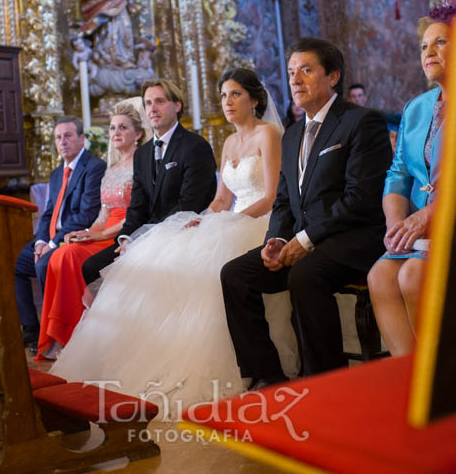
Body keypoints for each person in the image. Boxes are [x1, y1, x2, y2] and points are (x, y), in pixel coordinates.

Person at [51, 69, 298, 409]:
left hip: (260, 221)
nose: (227, 102)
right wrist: (204, 219)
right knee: (169, 254)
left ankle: (248, 363)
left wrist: (225, 221)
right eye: (224, 95)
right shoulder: (227, 142)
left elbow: (271, 196)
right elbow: (222, 199)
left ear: (255, 99)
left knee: (210, 268)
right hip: (230, 218)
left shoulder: (268, 135)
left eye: (235, 94)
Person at [221, 38, 392, 388]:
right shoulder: (293, 133)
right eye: (290, 73)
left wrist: (305, 240)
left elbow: (361, 197)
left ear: (333, 76)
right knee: (235, 274)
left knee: (305, 274)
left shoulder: (361, 122)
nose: (295, 80)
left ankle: (324, 383)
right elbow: (283, 201)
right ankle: (268, 374)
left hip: (353, 238)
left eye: (306, 70)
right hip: (303, 237)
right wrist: (277, 239)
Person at [366, 4, 456, 357]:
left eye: (441, 43)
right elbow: (398, 173)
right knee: (379, 277)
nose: (429, 52)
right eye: (423, 46)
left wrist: (426, 217)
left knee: (410, 277)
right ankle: (408, 376)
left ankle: (441, 375)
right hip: (417, 231)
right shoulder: (416, 107)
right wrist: (397, 224)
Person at [33, 102, 148, 359]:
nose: (115, 133)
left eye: (122, 128)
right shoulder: (111, 169)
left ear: (138, 134)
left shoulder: (141, 165)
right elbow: (102, 214)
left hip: (124, 232)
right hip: (103, 231)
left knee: (67, 256)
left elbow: (137, 212)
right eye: (112, 128)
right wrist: (87, 232)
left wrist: (101, 235)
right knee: (66, 251)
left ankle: (74, 332)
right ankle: (63, 334)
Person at [78, 78, 217, 284]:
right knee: (92, 268)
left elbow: (189, 204)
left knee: (141, 270)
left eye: (160, 101)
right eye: (148, 103)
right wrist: (126, 238)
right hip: (146, 234)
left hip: (183, 232)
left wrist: (146, 237)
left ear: (177, 106)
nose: (152, 108)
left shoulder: (195, 146)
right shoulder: (142, 154)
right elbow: (137, 206)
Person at [14, 116, 106, 349]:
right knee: (17, 264)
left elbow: (85, 214)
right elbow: (48, 214)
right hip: (52, 239)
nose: (62, 142)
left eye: (68, 136)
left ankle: (53, 333)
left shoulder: (94, 168)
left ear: (82, 139)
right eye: (58, 137)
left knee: (43, 264)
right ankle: (32, 328)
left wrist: (52, 244)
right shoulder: (57, 174)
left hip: (75, 237)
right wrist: (40, 242)